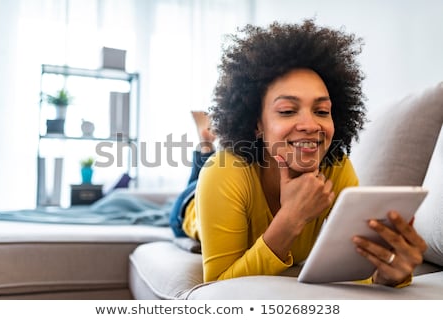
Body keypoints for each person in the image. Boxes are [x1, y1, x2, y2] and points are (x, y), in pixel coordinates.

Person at [169, 20, 427, 287]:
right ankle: (205, 145)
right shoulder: (224, 172)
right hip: (187, 211)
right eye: (287, 111)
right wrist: (291, 218)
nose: (310, 125)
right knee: (200, 175)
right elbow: (218, 291)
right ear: (257, 123)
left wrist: (389, 275)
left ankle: (206, 141)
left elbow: (358, 275)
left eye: (322, 111)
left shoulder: (335, 166)